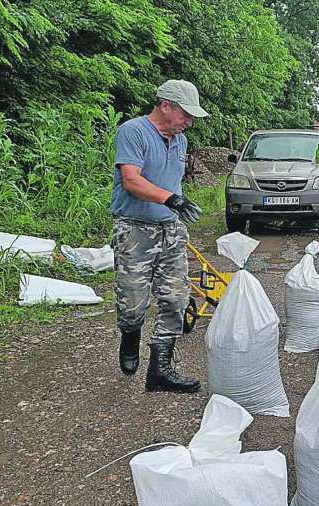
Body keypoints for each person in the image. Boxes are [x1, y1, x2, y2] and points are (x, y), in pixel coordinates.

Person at [111, 79, 209, 394]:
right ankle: (130, 335)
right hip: (135, 229)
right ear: (165, 105)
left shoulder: (179, 141)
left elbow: (172, 180)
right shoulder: (133, 132)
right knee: (133, 304)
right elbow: (131, 181)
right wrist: (171, 199)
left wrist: (175, 208)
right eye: (185, 113)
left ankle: (160, 369)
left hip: (170, 229)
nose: (189, 121)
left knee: (177, 299)